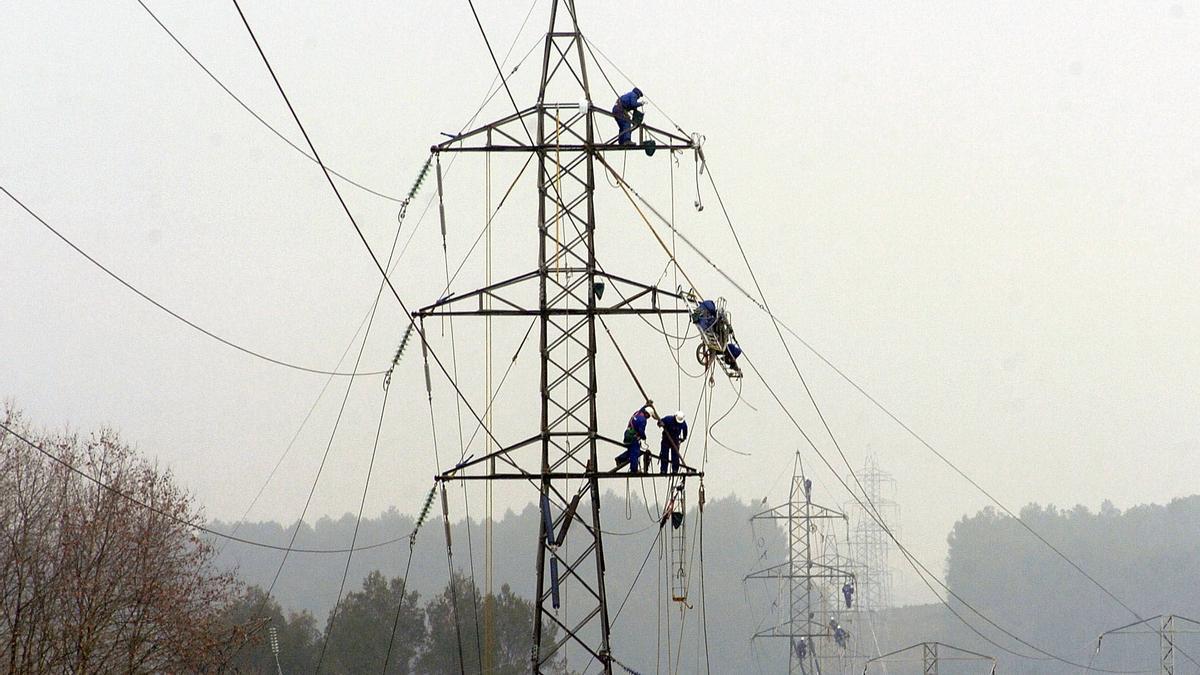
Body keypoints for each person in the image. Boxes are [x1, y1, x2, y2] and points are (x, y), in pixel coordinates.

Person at [614, 402, 653, 473]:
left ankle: (620, 459)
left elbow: (642, 409)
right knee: (635, 452)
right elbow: (641, 431)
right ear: (647, 414)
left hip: (627, 434)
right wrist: (644, 437)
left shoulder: (637, 413)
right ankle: (634, 470)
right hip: (633, 436)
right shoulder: (643, 420)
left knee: (631, 450)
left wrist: (646, 405)